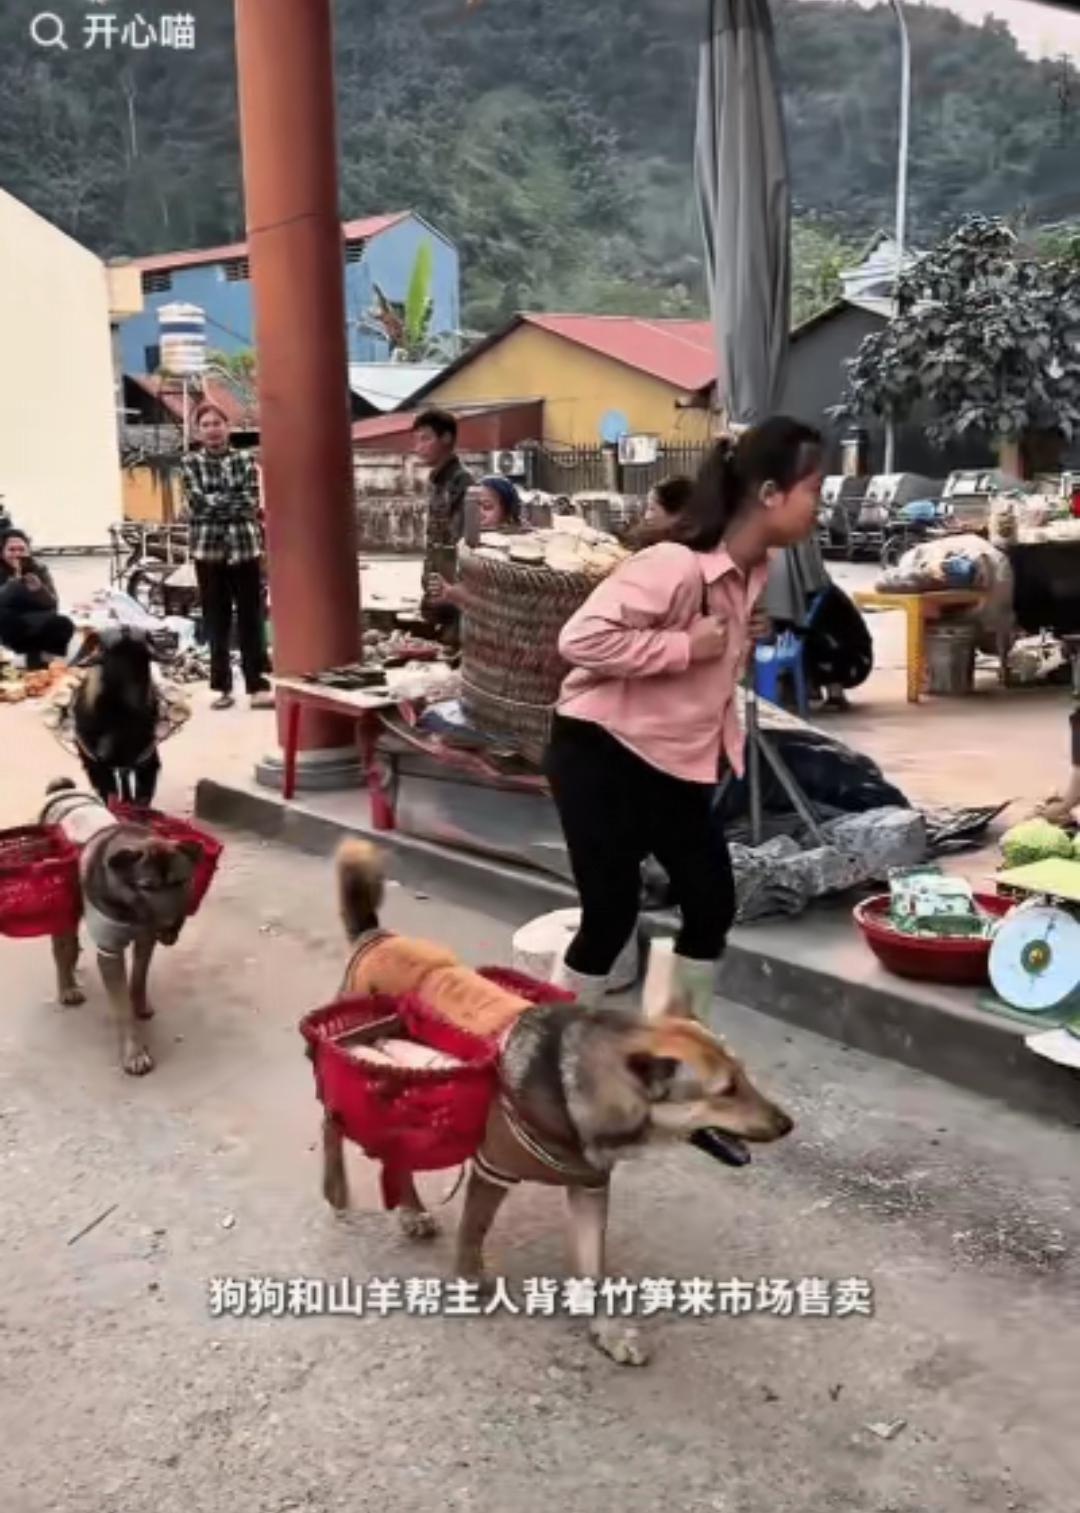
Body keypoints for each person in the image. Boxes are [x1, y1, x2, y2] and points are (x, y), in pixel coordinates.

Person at [545, 416, 824, 1016]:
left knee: (711, 903)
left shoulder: (755, 570)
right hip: (603, 752)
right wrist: (682, 647)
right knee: (610, 916)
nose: (818, 508)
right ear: (770, 494)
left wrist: (739, 639)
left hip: (676, 763)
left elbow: (714, 663)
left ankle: (673, 1041)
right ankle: (549, 1043)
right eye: (814, 492)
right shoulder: (674, 564)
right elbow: (580, 640)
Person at [180, 403, 274, 711]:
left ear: (227, 426)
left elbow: (249, 501)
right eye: (205, 424)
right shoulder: (190, 463)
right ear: (198, 431)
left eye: (216, 423)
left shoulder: (245, 460)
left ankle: (257, 684)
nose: (212, 429)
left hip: (245, 549)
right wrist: (227, 502)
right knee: (215, 621)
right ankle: (221, 687)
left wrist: (215, 503)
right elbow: (195, 503)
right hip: (208, 552)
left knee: (251, 618)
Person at [413, 408, 474, 641]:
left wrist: (453, 592)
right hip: (438, 587)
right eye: (417, 440)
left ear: (446, 438)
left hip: (452, 593)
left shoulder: (460, 482)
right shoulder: (438, 482)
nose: (419, 447)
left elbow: (462, 544)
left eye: (425, 438)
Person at [428, 476, 524, 611]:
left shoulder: (512, 550)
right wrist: (444, 593)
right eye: (474, 507)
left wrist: (453, 594)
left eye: (487, 507)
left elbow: (500, 604)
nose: (479, 513)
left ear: (507, 513)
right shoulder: (467, 544)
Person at [0, 528, 74, 667]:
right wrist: (13, 584)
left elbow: (53, 604)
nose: (17, 554)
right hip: (8, 624)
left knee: (63, 624)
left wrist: (39, 590)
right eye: (11, 549)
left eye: (21, 549)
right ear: (2, 553)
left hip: (34, 621)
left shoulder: (39, 569)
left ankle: (44, 664)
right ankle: (23, 661)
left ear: (28, 551)